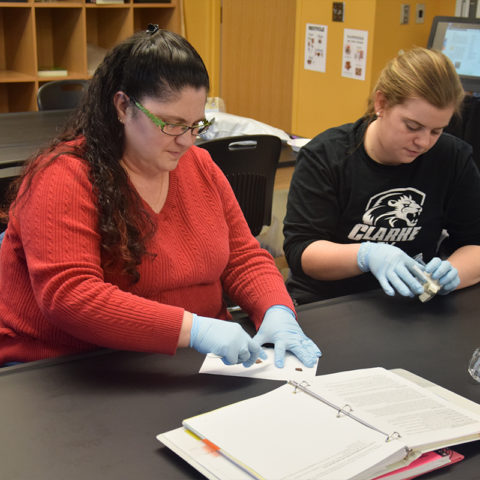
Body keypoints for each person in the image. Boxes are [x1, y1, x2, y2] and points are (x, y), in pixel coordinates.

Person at [0, 26, 321, 368]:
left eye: (197, 124)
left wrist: (275, 308)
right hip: (79, 366)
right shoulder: (63, 177)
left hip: (185, 361)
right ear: (123, 107)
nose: (187, 140)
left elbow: (242, 256)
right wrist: (193, 329)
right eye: (171, 123)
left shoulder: (199, 166)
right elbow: (73, 297)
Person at [284, 47, 480, 305]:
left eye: (436, 131)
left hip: (409, 303)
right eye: (412, 126)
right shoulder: (326, 156)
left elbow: (474, 243)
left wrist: (453, 272)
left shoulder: (452, 158)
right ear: (381, 103)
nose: (422, 142)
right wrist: (366, 255)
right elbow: (302, 251)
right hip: (329, 301)